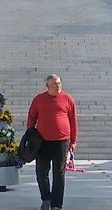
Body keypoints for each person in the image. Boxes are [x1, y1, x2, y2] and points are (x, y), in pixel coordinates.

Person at [27, 74, 78, 210]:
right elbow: (32, 118)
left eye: (59, 83)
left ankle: (56, 204)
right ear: (47, 86)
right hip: (42, 142)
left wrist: (73, 142)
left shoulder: (68, 99)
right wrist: (30, 137)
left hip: (61, 142)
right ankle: (46, 198)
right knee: (41, 172)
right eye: (54, 84)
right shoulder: (39, 99)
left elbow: (73, 121)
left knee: (59, 174)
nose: (58, 86)